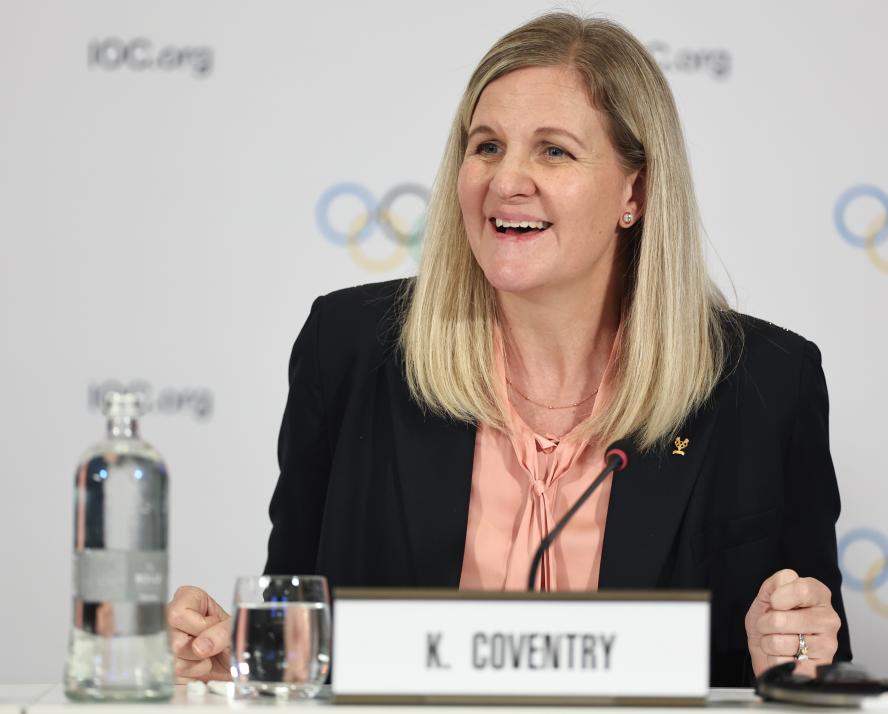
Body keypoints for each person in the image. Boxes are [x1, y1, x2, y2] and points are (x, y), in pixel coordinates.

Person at [168, 12, 851, 687]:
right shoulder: (348, 349)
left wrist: (790, 654)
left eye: (554, 151)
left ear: (635, 191)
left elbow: (811, 655)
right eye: (487, 146)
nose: (505, 181)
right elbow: (293, 631)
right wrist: (239, 658)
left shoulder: (766, 385)